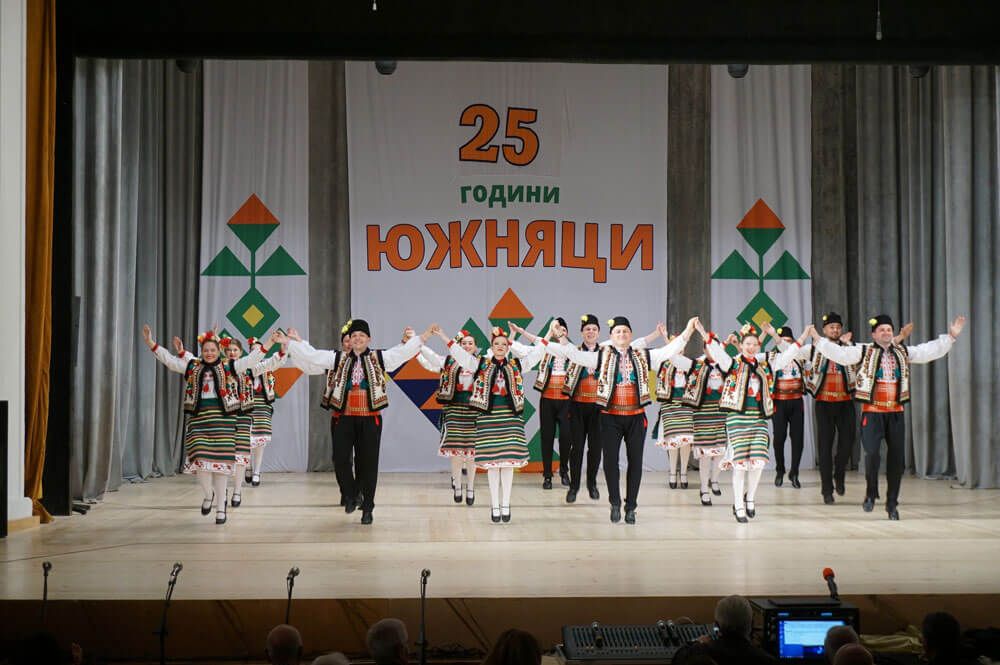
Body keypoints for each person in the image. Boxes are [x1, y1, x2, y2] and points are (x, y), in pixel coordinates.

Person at [523, 316, 696, 524]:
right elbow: (573, 354)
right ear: (611, 337)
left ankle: (631, 507)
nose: (621, 334)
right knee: (610, 462)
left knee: (635, 463)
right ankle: (614, 502)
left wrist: (688, 330)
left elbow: (667, 351)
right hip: (610, 418)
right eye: (617, 332)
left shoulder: (643, 355)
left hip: (635, 417)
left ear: (631, 335)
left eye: (625, 331)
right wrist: (559, 336)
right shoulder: (602, 356)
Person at [808, 315, 965, 519]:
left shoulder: (902, 352)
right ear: (873, 334)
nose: (886, 333)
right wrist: (818, 339)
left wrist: (951, 336)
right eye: (881, 330)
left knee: (897, 460)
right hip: (872, 413)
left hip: (895, 413)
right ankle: (871, 492)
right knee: (872, 455)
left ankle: (892, 504)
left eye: (889, 330)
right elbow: (840, 354)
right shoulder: (864, 351)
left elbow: (926, 352)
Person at [281, 320, 435, 524]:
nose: (357, 339)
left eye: (362, 335)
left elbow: (402, 353)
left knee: (368, 463)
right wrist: (289, 343)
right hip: (344, 417)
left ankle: (368, 507)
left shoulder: (379, 357)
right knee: (340, 459)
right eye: (354, 336)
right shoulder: (338, 358)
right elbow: (313, 356)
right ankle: (351, 493)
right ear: (350, 340)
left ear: (368, 339)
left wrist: (424, 335)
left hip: (370, 419)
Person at [143, 325, 269, 524]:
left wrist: (269, 343)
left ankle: (221, 509)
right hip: (199, 421)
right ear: (201, 352)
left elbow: (252, 360)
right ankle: (209, 494)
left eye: (213, 350)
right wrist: (151, 343)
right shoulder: (193, 367)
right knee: (200, 462)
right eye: (206, 350)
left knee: (220, 467)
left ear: (219, 351)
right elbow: (170, 361)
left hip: (223, 422)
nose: (209, 353)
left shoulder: (229, 366)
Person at [708, 321, 811, 522]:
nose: (751, 347)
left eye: (755, 344)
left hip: (758, 419)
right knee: (740, 465)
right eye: (748, 344)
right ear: (741, 345)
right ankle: (738, 504)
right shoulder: (733, 364)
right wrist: (703, 333)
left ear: (759, 346)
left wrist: (804, 336)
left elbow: (789, 354)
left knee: (759, 462)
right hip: (737, 419)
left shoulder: (766, 365)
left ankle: (750, 497)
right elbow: (717, 354)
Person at [443, 324, 542, 522]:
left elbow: (539, 353)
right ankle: (495, 505)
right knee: (493, 464)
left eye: (503, 344)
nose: (500, 347)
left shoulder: (516, 365)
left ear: (508, 347)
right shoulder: (481, 364)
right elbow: (460, 355)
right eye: (496, 344)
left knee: (507, 463)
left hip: (510, 419)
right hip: (488, 418)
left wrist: (537, 335)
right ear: (491, 346)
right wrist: (443, 335)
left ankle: (506, 504)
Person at [416, 329, 480, 505]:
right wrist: (416, 344)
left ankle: (471, 487)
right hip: (453, 410)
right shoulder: (449, 362)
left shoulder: (480, 364)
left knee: (472, 453)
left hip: (474, 411)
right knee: (455, 452)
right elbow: (432, 359)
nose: (467, 346)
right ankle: (457, 485)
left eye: (470, 343)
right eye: (463, 343)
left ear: (476, 347)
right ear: (458, 346)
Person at [244, 336, 289, 487]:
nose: (257, 353)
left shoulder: (267, 365)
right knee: (245, 439)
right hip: (246, 406)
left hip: (262, 406)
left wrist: (283, 350)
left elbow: (279, 361)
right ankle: (248, 466)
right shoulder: (244, 367)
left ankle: (257, 472)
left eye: (259, 350)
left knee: (260, 441)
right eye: (253, 350)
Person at [767, 326, 806, 489]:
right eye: (783, 341)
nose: (786, 345)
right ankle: (780, 470)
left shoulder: (800, 356)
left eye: (789, 341)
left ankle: (794, 472)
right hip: (779, 401)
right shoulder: (772, 357)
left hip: (796, 401)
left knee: (798, 439)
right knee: (779, 438)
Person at [653, 337, 695, 490]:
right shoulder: (663, 364)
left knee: (685, 440)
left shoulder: (689, 364)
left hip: (685, 405)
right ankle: (672, 472)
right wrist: (666, 339)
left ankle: (683, 472)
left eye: (680, 346)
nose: (678, 349)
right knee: (672, 440)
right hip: (670, 405)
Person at [702, 595, 779, 665]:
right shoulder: (768, 661)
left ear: (717, 625)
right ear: (752, 624)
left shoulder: (702, 655)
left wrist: (702, 646)